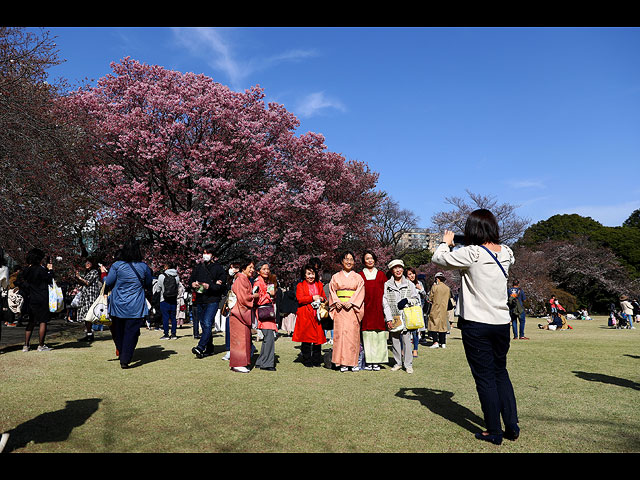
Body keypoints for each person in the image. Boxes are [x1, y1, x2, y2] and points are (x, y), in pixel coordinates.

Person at [432, 209, 519, 445]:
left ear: (472, 230)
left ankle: (493, 430)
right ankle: (511, 424)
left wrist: (445, 242)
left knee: (485, 377)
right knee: (501, 372)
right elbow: (502, 255)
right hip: (502, 323)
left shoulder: (472, 253)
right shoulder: (507, 252)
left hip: (477, 323)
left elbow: (439, 258)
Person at [103, 238, 153, 369]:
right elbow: (148, 283)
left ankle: (122, 351)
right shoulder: (144, 267)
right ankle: (125, 358)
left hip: (118, 304)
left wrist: (104, 275)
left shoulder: (117, 266)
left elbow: (108, 282)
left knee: (118, 331)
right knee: (132, 332)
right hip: (136, 305)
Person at [329, 251, 365, 372]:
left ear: (354, 262)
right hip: (340, 309)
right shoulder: (335, 277)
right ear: (342, 262)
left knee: (353, 336)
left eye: (351, 259)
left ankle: (353, 362)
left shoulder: (358, 277)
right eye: (346, 259)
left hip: (352, 309)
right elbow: (332, 291)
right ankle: (342, 363)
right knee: (340, 336)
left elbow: (360, 292)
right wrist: (336, 301)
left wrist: (352, 302)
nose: (349, 262)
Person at [189, 245, 227, 359]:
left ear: (213, 255)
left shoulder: (219, 269)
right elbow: (191, 279)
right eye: (204, 252)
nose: (205, 255)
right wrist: (192, 284)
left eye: (208, 253)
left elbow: (221, 287)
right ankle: (209, 348)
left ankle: (200, 347)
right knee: (204, 325)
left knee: (206, 322)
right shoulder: (199, 267)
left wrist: (209, 286)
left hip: (213, 300)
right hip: (200, 299)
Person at [383, 259, 420, 373]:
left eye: (400, 267)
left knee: (407, 340)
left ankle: (408, 364)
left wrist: (407, 300)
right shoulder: (387, 284)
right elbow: (385, 302)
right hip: (394, 317)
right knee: (394, 340)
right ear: (392, 270)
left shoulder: (409, 284)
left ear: (403, 269)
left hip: (406, 317)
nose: (398, 270)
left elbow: (417, 300)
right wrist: (388, 318)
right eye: (395, 268)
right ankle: (398, 362)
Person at [20, 248, 55, 352]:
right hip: (42, 297)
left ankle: (26, 345)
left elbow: (21, 281)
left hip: (31, 297)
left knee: (31, 321)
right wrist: (50, 270)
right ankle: (41, 345)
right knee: (43, 321)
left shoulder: (27, 270)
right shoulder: (41, 269)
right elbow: (49, 279)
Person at [359, 250, 388, 370]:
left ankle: (377, 361)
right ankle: (369, 361)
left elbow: (386, 293)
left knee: (379, 336)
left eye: (371, 258)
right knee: (367, 335)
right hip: (366, 308)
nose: (370, 260)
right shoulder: (360, 275)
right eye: (367, 258)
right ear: (364, 261)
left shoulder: (381, 274)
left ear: (375, 260)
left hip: (379, 309)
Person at [293, 264, 327, 367]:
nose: (311, 276)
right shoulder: (300, 285)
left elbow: (324, 298)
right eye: (308, 274)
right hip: (305, 315)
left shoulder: (319, 284)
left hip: (317, 316)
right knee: (306, 339)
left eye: (312, 274)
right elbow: (300, 299)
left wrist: (321, 299)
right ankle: (307, 360)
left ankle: (316, 360)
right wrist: (312, 298)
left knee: (318, 339)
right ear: (304, 275)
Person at [229, 259, 258, 373]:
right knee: (239, 339)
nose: (252, 270)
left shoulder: (244, 279)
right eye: (250, 267)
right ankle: (237, 363)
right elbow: (244, 298)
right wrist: (254, 296)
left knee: (244, 338)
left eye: (253, 267)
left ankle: (242, 362)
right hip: (238, 313)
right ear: (243, 268)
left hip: (241, 312)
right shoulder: (241, 279)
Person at [253, 261, 278, 371]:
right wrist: (269, 294)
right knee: (269, 337)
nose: (266, 271)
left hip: (267, 311)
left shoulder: (265, 282)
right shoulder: (258, 283)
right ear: (258, 271)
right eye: (264, 269)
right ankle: (267, 363)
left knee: (268, 337)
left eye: (267, 269)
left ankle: (261, 361)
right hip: (264, 311)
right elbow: (257, 299)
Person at [76, 257, 103, 343]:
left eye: (89, 262)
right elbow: (83, 283)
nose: (87, 264)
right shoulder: (87, 272)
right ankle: (89, 334)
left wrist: (79, 278)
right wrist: (77, 278)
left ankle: (90, 334)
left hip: (91, 296)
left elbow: (87, 282)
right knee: (86, 316)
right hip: (85, 295)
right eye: (86, 262)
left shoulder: (94, 272)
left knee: (89, 315)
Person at [153, 262, 182, 340]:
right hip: (173, 299)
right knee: (173, 317)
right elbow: (177, 286)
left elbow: (158, 289)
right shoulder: (176, 276)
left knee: (165, 317)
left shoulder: (161, 276)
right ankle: (174, 334)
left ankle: (166, 334)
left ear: (166, 267)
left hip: (164, 299)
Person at [406, 267, 427, 357]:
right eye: (410, 274)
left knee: (415, 331)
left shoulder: (419, 283)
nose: (412, 276)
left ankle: (415, 349)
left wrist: (420, 289)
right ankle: (405, 349)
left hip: (416, 309)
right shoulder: (405, 284)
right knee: (405, 331)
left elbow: (424, 295)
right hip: (407, 309)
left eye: (413, 273)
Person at [427, 272, 450, 349]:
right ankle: (443, 343)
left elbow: (430, 298)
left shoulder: (435, 287)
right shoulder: (447, 288)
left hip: (435, 308)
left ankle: (435, 342)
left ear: (437, 278)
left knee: (433, 325)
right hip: (444, 309)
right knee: (442, 326)